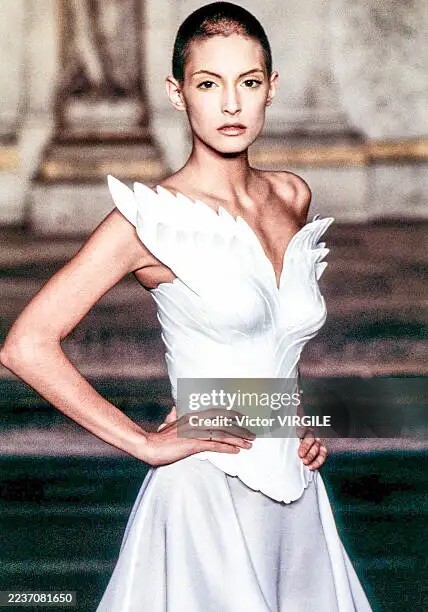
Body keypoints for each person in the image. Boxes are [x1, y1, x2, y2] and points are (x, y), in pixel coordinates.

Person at [0, 2, 373, 610]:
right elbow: (26, 345)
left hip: (297, 491)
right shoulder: (149, 220)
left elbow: (271, 341)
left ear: (271, 89)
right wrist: (144, 443)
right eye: (208, 84)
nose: (230, 104)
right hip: (204, 493)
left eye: (247, 82)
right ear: (178, 94)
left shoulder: (291, 196)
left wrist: (290, 418)